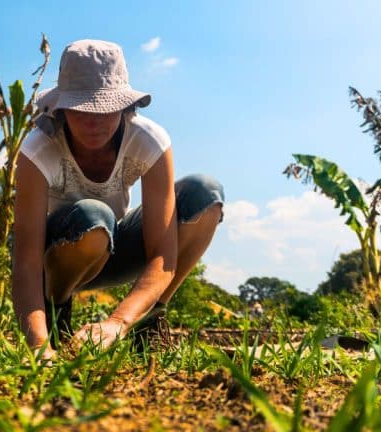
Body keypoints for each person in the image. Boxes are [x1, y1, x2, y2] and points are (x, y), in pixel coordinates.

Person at [12, 40, 224, 357]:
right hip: (54, 260)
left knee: (204, 193)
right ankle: (58, 310)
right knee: (93, 217)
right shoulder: (38, 149)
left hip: (113, 248)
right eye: (82, 109)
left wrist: (119, 322)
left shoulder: (149, 141)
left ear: (124, 106)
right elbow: (26, 263)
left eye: (106, 109)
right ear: (63, 108)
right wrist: (39, 345)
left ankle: (148, 321)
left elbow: (162, 255)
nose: (93, 122)